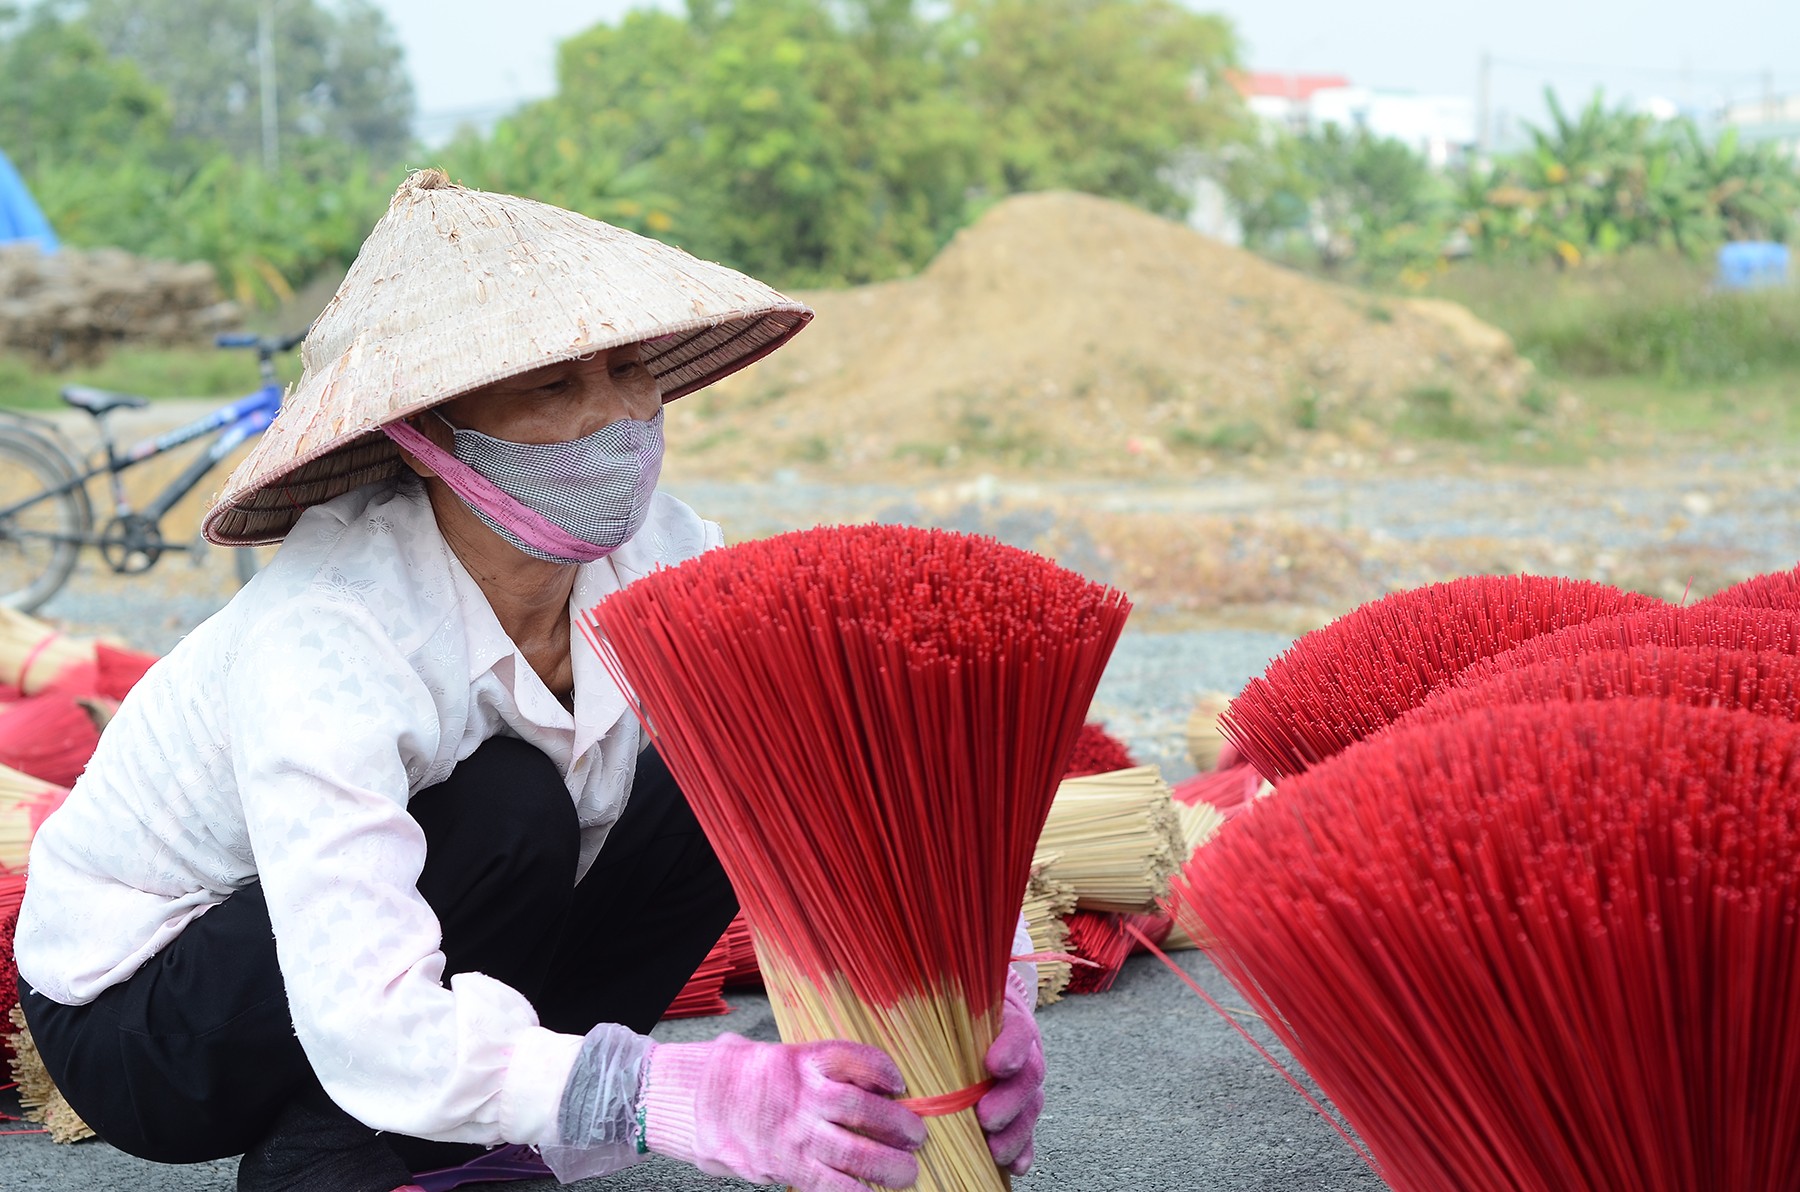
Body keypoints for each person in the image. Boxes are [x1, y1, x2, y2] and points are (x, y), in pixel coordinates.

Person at [13, 170, 1047, 1192]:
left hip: (362, 959)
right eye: (555, 386)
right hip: (148, 1015)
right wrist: (669, 1095)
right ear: (425, 436)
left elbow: (844, 763)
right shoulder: (331, 634)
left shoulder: (661, 555)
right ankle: (335, 1159)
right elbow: (367, 1016)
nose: (617, 417)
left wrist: (977, 984)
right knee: (510, 805)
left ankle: (478, 1135)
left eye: (630, 369)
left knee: (724, 772)